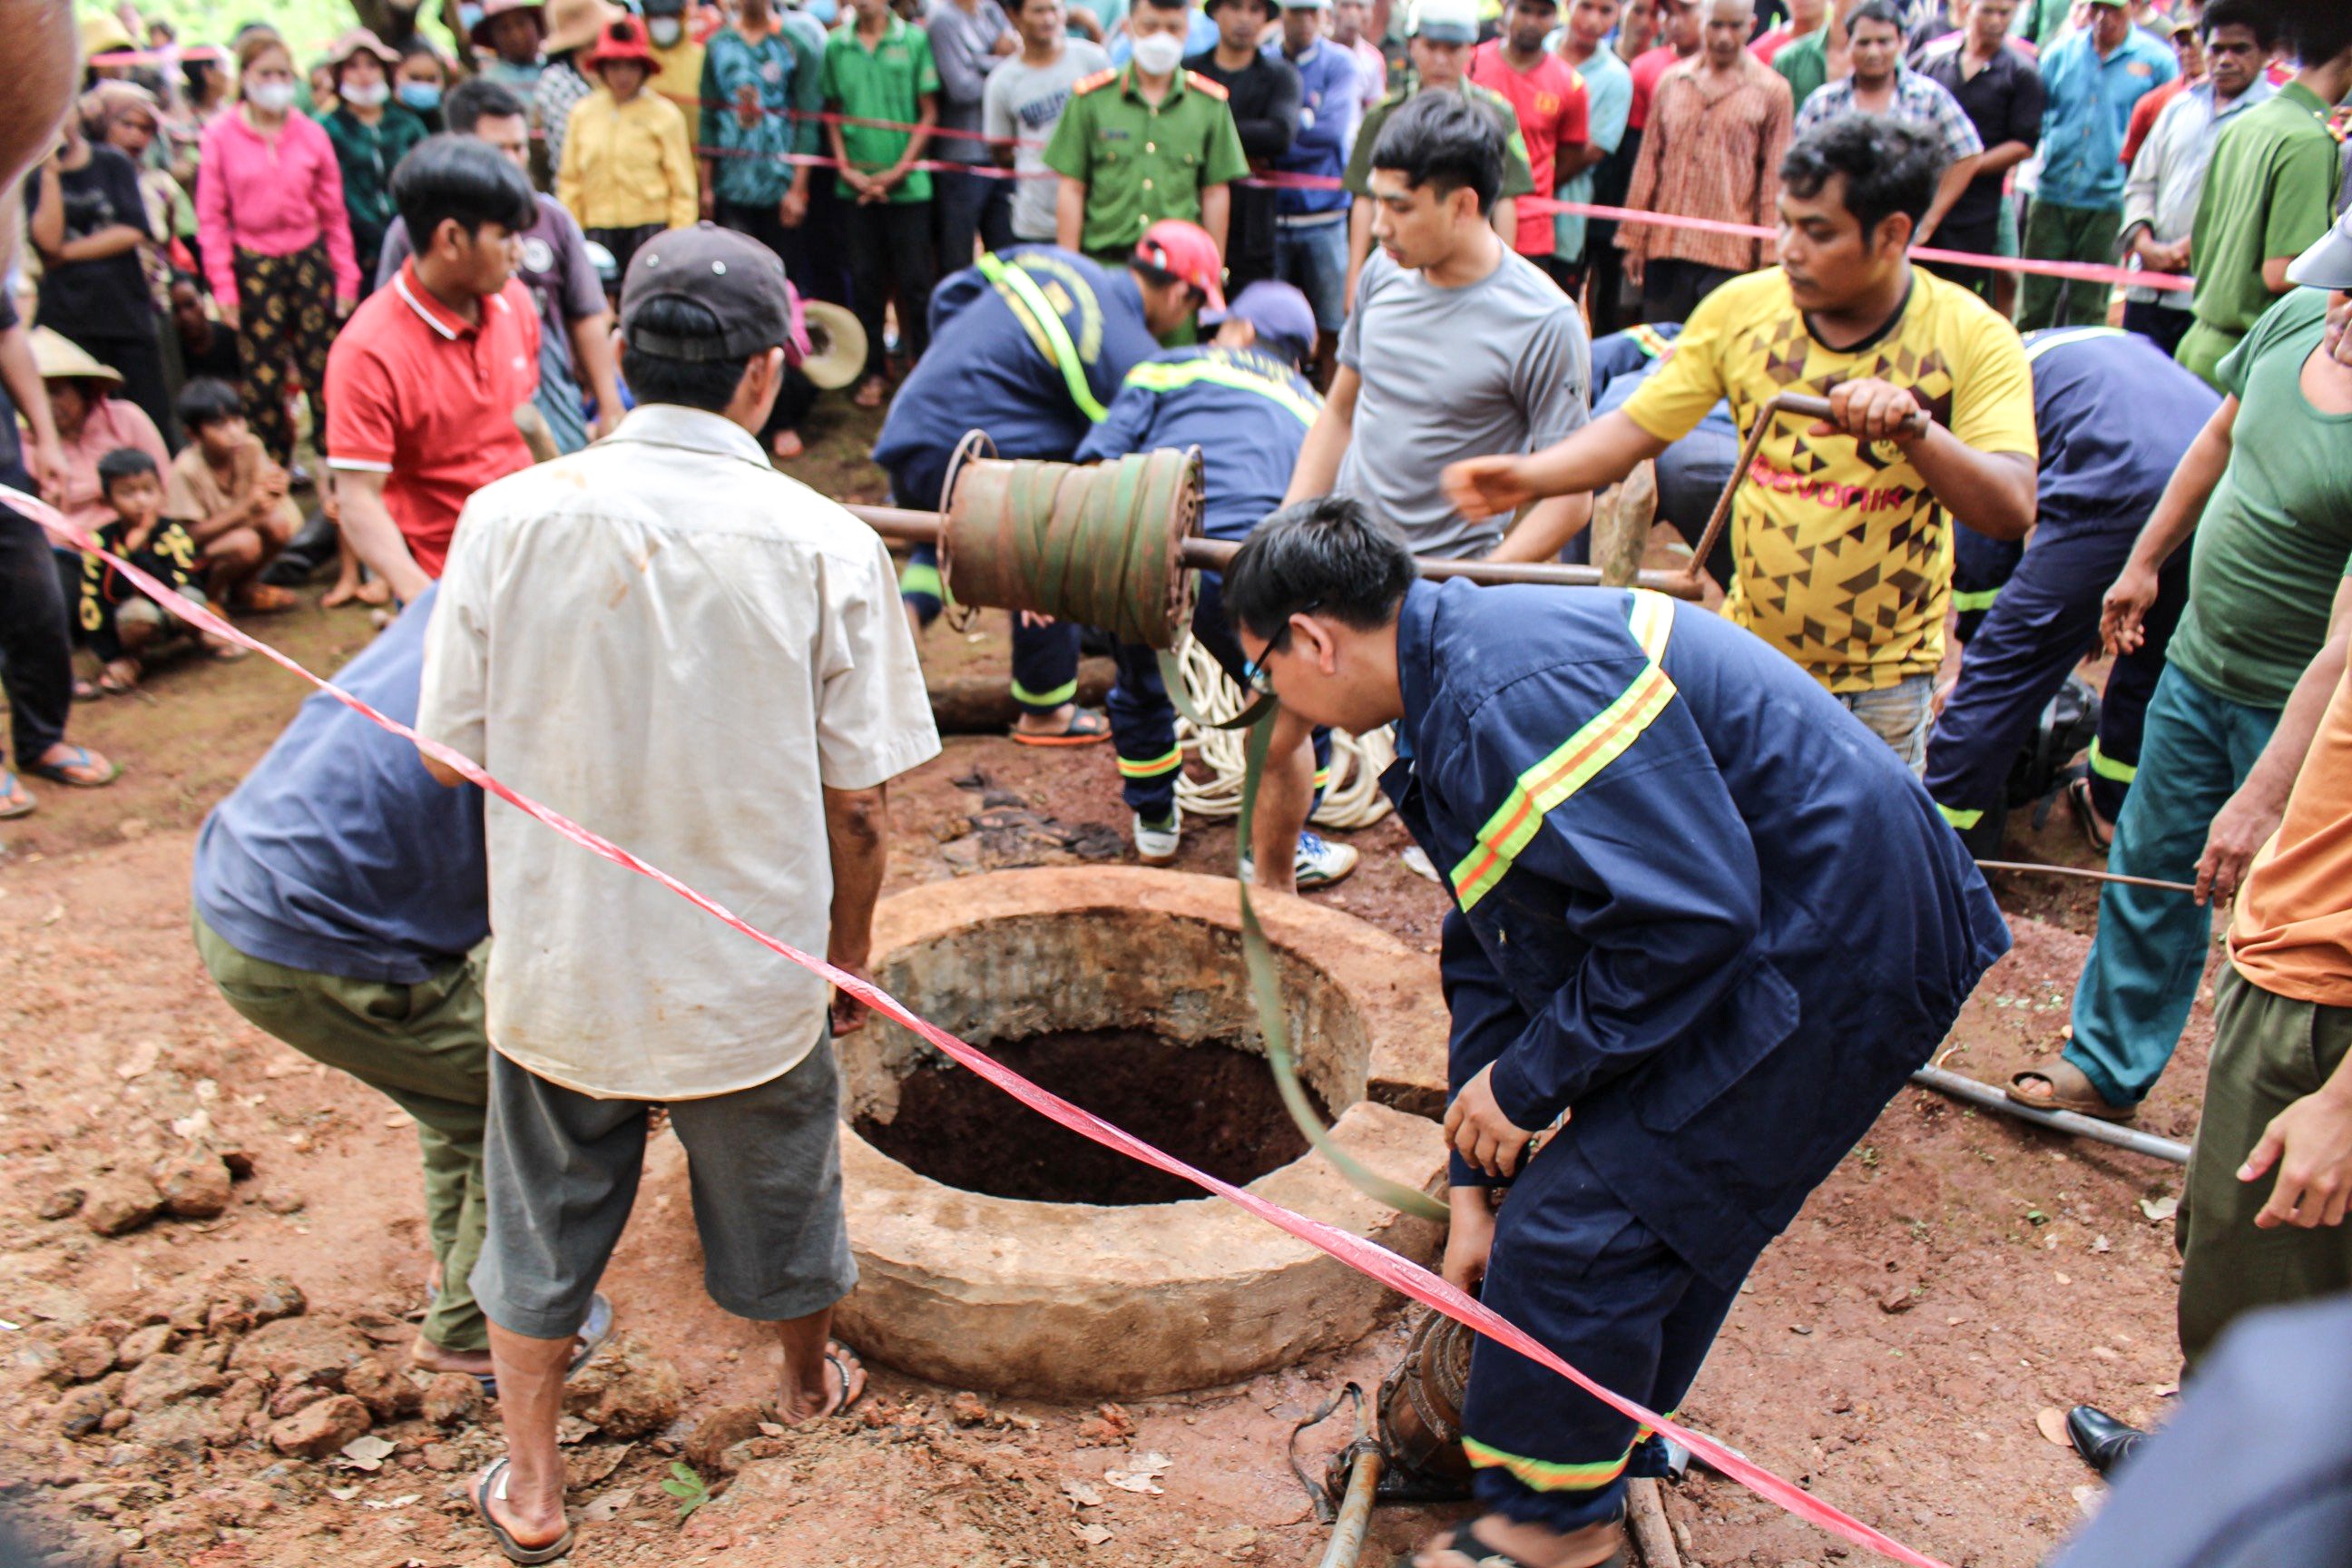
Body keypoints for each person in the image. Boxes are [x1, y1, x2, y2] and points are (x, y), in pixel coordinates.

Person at [1220, 497, 2009, 1568]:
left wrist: (1531, 1084)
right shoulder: (1450, 694)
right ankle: (1602, 1448)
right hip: (1776, 920)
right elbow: (1490, 942)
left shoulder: (1508, 689)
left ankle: (1547, 1531)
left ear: (1310, 638)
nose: (1271, 700)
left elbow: (1693, 913)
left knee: (1586, 1229)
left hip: (1840, 935)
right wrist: (1472, 1181)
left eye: (1260, 672)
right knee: (1650, 1207)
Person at [414, 224, 940, 1564]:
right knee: (782, 1188)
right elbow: (862, 802)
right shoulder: (823, 541)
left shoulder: (504, 517)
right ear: (768, 375)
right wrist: (849, 958)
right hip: (746, 974)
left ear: (626, 357)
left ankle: (532, 1487)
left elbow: (446, 748)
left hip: (564, 959)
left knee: (539, 1215)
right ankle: (806, 1384)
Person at [1446, 115, 2038, 766]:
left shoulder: (1972, 336)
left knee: (1863, 863)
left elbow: (2009, 508)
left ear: (1893, 234)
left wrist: (1916, 432)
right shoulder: (1743, 312)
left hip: (1886, 684)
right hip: (1753, 660)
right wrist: (1532, 477)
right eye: (1784, 222)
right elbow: (1636, 429)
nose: (1788, 248)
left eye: (1818, 232)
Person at [189, 577, 600, 1389]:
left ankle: (464, 1272)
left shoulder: (478, 584)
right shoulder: (572, 673)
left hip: (246, 873)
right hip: (316, 935)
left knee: (465, 1085)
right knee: (541, 1099)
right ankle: (474, 1328)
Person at [2007, 222, 2352, 1123]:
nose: (2341, 309)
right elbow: (2216, 441)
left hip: (2305, 714)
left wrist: (2266, 792)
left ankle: (2293, 1112)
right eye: (2341, 286)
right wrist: (2146, 561)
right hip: (2199, 666)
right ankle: (2109, 1062)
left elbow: (2348, 640)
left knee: (2292, 911)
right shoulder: (2292, 322)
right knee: (2151, 860)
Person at [1271, 94, 1590, 893]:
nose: (1378, 226)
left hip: (1448, 589)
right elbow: (1339, 409)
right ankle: (1272, 897)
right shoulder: (1384, 274)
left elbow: (1569, 497)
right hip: (1341, 560)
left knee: (1458, 789)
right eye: (1377, 202)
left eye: (1399, 207)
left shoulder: (1543, 322)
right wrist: (1287, 530)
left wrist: (1475, 587)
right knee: (1276, 723)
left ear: (1464, 203)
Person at [873, 222, 1213, 743]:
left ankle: (906, 616)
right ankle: (1046, 706)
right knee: (1066, 508)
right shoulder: (1132, 354)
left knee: (938, 529)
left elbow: (950, 294)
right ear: (1181, 292)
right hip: (975, 456)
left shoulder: (1055, 260)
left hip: (915, 427)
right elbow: (1114, 465)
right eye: (1192, 307)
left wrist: (963, 362)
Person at [1921, 327, 2216, 854]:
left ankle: (1940, 850)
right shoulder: (2087, 340)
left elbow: (1987, 547)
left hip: (2121, 482)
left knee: (1997, 680)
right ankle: (2112, 809)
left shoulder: (1984, 390)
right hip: (2216, 480)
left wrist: (1979, 660)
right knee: (2150, 652)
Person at [1073, 280, 1328, 861]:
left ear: (1241, 330)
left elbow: (1096, 462)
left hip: (1147, 546)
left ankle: (1156, 819)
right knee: (1298, 693)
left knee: (1140, 683)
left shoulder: (1166, 367)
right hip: (1248, 563)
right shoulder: (1313, 406)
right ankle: (1274, 848)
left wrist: (1081, 565)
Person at [326, 135, 541, 606]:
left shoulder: (516, 304)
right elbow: (358, 496)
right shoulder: (368, 351)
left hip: (534, 564)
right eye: (504, 235)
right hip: (450, 581)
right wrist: (423, 602)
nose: (519, 252)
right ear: (450, 239)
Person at [381, 80, 626, 459]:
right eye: (498, 149)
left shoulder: (552, 219)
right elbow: (391, 327)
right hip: (448, 398)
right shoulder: (414, 230)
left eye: (520, 147)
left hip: (546, 388)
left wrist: (610, 403)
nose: (512, 161)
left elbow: (586, 315)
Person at [196, 32, 359, 481]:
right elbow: (211, 217)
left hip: (309, 257)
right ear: (245, 77)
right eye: (266, 74)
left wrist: (345, 276)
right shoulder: (220, 136)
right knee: (263, 371)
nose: (276, 83)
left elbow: (333, 213)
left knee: (322, 363)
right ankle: (274, 465)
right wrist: (223, 285)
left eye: (284, 74)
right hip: (254, 262)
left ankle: (334, 458)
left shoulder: (311, 134)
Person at [2169, 17, 2349, 387]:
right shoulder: (2308, 140)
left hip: (2197, 343)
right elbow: (2282, 271)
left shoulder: (2249, 121)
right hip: (2246, 359)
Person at [0, 299, 118, 818]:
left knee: (37, 603)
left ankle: (41, 738)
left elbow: (6, 337)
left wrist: (44, 437)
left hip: (4, 472)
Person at [698, 0, 825, 457]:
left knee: (781, 296)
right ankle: (735, 409)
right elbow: (710, 119)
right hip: (734, 192)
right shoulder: (718, 46)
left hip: (779, 191)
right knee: (734, 295)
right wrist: (708, 187)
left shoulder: (795, 44)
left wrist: (799, 187)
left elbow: (807, 120)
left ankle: (785, 411)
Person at [1343, 0, 1537, 300]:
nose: (1441, 60)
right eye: (1431, 46)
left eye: (1453, 48)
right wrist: (1355, 277)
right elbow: (1364, 199)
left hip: (1466, 266)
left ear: (1470, 50)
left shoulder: (1494, 114)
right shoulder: (1384, 114)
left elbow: (1505, 200)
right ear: (1412, 45)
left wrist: (1501, 278)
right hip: (1394, 261)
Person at [1618, 0, 1794, 323]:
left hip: (1731, 256)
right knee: (1660, 348)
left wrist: (1769, 256)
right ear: (1702, 24)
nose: (1725, 37)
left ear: (1752, 26)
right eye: (1716, 26)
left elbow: (1773, 181)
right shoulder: (1673, 81)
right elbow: (1648, 164)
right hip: (1666, 246)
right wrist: (1634, 240)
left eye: (1735, 26)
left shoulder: (1773, 91)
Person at [1045, 0, 1251, 272]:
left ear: (1187, 31)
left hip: (1179, 276)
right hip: (1105, 267)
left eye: (1173, 28)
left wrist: (1210, 277)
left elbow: (1215, 193)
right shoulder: (1092, 100)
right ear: (1128, 28)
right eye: (1150, 26)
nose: (1161, 38)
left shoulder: (1209, 104)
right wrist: (1068, 271)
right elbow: (1072, 188)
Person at [2115, 2, 2269, 358]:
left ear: (2265, 53)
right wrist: (2144, 243)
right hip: (2147, 286)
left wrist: (2183, 250)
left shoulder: (2270, 118)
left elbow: (2247, 207)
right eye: (2216, 49)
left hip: (2208, 295)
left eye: (2239, 49)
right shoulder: (2178, 107)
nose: (2225, 59)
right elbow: (2141, 182)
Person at [2017, 0, 2177, 330]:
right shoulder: (2061, 53)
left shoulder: (2156, 60)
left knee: (2089, 310)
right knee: (2034, 304)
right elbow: (2039, 114)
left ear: (2131, 10)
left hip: (2109, 200)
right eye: (2097, 9)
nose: (2104, 19)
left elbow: (2164, 127)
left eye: (2114, 10)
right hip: (2053, 191)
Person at [26, 104, 172, 445]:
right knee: (85, 424)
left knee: (148, 413)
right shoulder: (35, 174)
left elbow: (133, 231)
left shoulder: (112, 163)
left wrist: (65, 254)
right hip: (68, 322)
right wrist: (49, 172)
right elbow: (47, 240)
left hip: (124, 314)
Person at [824, 0, 944, 407]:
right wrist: (845, 168)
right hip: (855, 189)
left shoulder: (913, 40)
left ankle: (924, 371)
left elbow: (928, 112)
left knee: (915, 282)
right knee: (866, 281)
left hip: (908, 188)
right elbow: (833, 113)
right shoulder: (836, 46)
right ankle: (873, 370)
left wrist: (899, 171)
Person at [1793, 0, 1982, 246]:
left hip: (1904, 238)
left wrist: (1929, 220)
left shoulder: (1929, 98)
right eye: (1863, 42)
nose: (1873, 52)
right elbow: (1797, 167)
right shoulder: (1823, 103)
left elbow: (1969, 153)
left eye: (1883, 42)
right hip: (1838, 237)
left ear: (1902, 43)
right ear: (1848, 45)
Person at [76, 447, 246, 691]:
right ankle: (128, 659)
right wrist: (110, 656)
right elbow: (96, 602)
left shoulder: (172, 532)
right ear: (108, 500)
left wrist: (138, 551)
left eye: (148, 490)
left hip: (171, 608)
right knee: (139, 613)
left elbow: (174, 584)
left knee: (191, 598)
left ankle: (201, 636)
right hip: (129, 620)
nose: (141, 501)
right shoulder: (99, 544)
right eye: (127, 493)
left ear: (161, 491)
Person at [1916, 0, 2045, 300]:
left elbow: (2024, 144)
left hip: (1978, 205)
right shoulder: (1934, 58)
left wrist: (1967, 166)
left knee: (1965, 293)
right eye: (1988, 11)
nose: (1996, 21)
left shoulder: (2021, 72)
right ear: (1967, 9)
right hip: (1922, 194)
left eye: (2004, 13)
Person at [557, 18, 699, 278]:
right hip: (598, 228)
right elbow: (570, 181)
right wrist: (574, 234)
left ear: (643, 69)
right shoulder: (582, 113)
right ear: (602, 68)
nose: (622, 75)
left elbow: (683, 187)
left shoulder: (665, 115)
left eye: (630, 66)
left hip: (651, 228)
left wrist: (678, 238)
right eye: (614, 66)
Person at [1469, 0, 1591, 291]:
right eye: (1524, 10)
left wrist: (1525, 185)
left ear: (1556, 17)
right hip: (1469, 216)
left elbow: (1571, 155)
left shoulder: (1570, 84)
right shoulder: (1471, 63)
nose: (1532, 21)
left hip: (1531, 231)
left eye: (1543, 13)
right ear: (1506, 9)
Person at [1186, 0, 1301, 294]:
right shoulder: (1190, 73)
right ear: (1215, 12)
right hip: (1191, 212)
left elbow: (1279, 134)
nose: (1244, 19)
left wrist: (1208, 131)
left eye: (1255, 10)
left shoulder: (1280, 75)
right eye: (1235, 7)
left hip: (1252, 227)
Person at [1266, 0, 1357, 371]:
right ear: (1281, 15)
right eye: (1294, 12)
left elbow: (1331, 133)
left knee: (1334, 325)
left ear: (1324, 17)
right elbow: (1252, 135)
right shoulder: (1266, 62)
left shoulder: (1340, 63)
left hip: (1325, 216)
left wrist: (1281, 136)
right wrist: (1290, 129)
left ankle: (1331, 407)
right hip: (1271, 216)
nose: (1303, 21)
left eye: (1311, 12)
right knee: (1271, 325)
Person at [164, 377, 300, 612]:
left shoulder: (251, 447)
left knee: (278, 524)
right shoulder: (185, 470)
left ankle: (244, 588)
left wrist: (277, 487)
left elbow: (267, 500)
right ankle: (210, 599)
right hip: (200, 556)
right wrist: (247, 508)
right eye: (220, 426)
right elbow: (191, 537)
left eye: (238, 420)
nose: (235, 432)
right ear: (193, 434)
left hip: (243, 534)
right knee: (245, 543)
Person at [985, 0, 1110, 250]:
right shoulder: (1002, 81)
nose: (1049, 19)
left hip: (1095, 215)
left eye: (1054, 9)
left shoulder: (1093, 60)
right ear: (1014, 16)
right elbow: (1001, 150)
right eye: (1039, 11)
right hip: (1036, 222)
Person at [318, 29, 432, 298]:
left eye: (372, 65)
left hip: (412, 243)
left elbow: (428, 180)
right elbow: (338, 196)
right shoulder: (328, 129)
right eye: (353, 66)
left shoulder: (407, 124)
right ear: (339, 75)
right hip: (357, 253)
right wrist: (377, 239)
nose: (364, 74)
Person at [927, 0, 1018, 274]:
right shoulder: (943, 20)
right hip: (961, 160)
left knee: (1007, 255)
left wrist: (978, 61)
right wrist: (999, 59)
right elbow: (962, 88)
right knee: (958, 258)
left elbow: (1020, 66)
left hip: (1000, 154)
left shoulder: (991, 11)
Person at [1550, 0, 1631, 304]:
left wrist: (1527, 188)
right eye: (1585, 6)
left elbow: (1592, 151)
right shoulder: (1538, 48)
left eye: (1605, 10)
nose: (1593, 20)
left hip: (1563, 225)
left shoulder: (1616, 77)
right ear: (1569, 4)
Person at [1585, 0, 1656, 333]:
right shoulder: (1598, 64)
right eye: (1638, 10)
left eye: (1654, 14)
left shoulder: (1660, 70)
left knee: (1615, 300)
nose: (1645, 21)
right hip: (1586, 194)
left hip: (1627, 204)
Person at [641, 0, 706, 110]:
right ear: (645, 19)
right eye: (656, 16)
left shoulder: (703, 58)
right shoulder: (636, 62)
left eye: (671, 15)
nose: (663, 21)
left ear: (682, 16)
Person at [1333, 0, 1388, 113]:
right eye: (1345, 6)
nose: (1352, 14)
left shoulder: (1374, 61)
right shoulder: (1315, 51)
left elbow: (1374, 112)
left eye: (1360, 7)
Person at [395, 39, 451, 130]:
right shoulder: (384, 118)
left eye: (431, 79)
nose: (423, 85)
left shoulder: (450, 119)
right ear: (396, 73)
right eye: (415, 78)